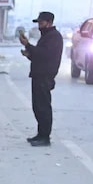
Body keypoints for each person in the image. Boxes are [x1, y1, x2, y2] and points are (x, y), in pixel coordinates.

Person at [18, 11, 63, 147]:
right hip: (38, 74)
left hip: (45, 76)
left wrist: (28, 45)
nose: (39, 26)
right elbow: (39, 56)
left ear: (49, 23)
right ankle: (40, 134)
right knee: (37, 106)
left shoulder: (53, 37)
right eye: (38, 23)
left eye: (41, 23)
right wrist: (29, 54)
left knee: (43, 107)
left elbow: (45, 55)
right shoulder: (46, 36)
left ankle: (45, 137)